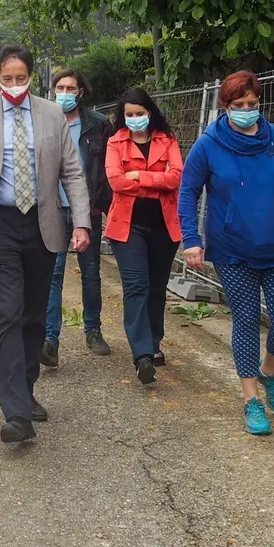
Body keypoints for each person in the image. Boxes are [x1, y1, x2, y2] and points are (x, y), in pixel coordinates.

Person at [0, 44, 91, 444]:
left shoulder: (51, 115)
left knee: (33, 315)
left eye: (21, 78)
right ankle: (15, 412)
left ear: (32, 77)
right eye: (7, 78)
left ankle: (26, 390)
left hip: (44, 225)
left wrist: (80, 222)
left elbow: (73, 173)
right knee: (9, 313)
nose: (14, 85)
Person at [178, 70, 274, 436]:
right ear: (226, 107)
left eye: (252, 105)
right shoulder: (208, 144)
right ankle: (251, 400)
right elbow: (188, 191)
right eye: (239, 106)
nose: (247, 111)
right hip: (233, 250)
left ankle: (269, 372)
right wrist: (191, 239)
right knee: (247, 319)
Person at [104, 89, 183, 385]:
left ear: (150, 112)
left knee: (156, 287)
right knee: (136, 286)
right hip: (128, 227)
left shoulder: (168, 140)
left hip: (164, 226)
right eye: (129, 114)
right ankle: (142, 354)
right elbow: (116, 181)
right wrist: (155, 181)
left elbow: (176, 177)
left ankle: (154, 341)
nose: (134, 119)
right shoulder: (115, 142)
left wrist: (138, 176)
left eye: (139, 113)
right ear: (122, 116)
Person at [41, 68, 114, 367]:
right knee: (52, 274)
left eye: (71, 88)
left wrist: (104, 206)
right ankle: (50, 340)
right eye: (60, 87)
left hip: (87, 208)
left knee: (91, 272)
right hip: (53, 209)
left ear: (81, 92)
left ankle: (93, 329)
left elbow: (108, 170)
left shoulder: (98, 125)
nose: (65, 93)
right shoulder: (44, 121)